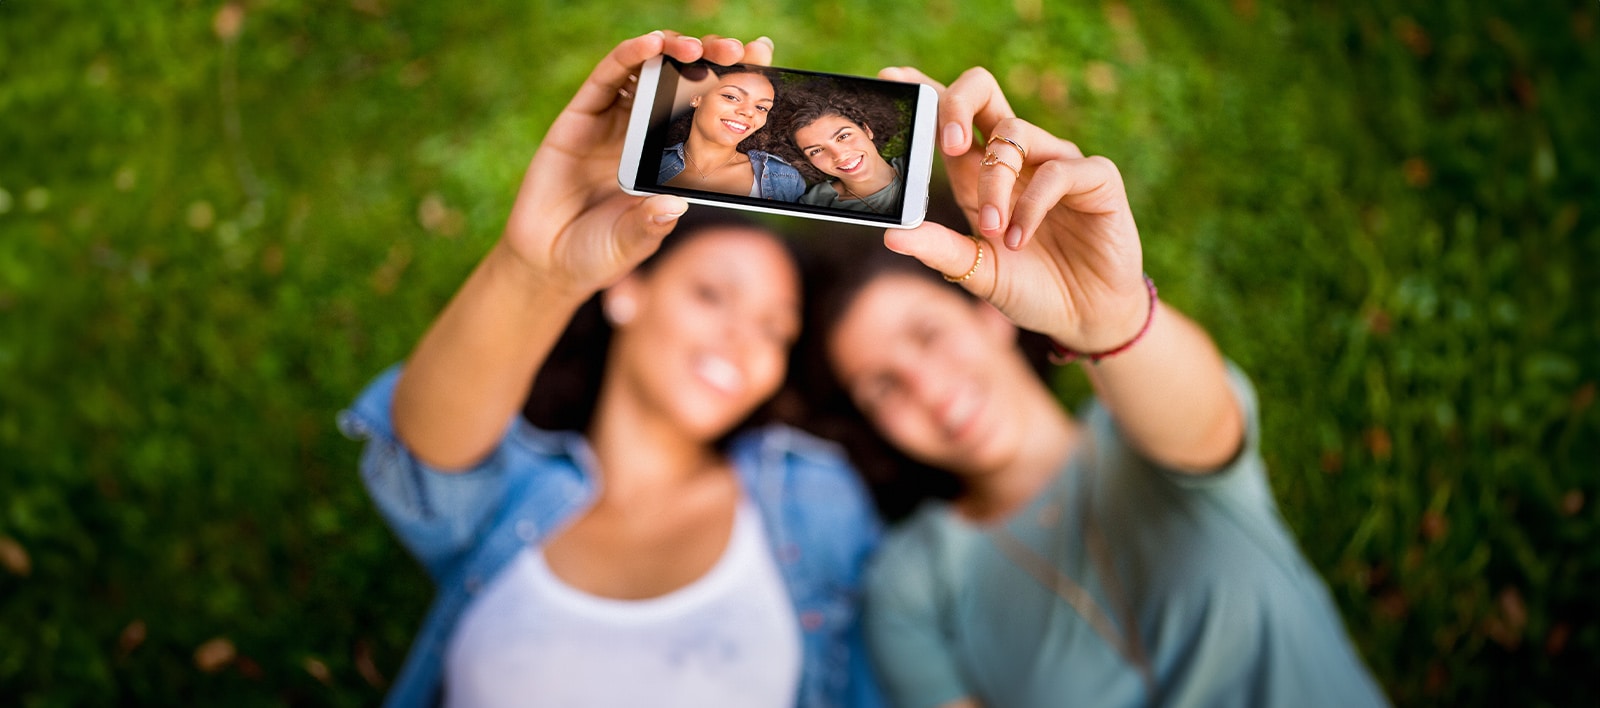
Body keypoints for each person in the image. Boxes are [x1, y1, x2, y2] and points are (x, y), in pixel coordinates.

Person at [798, 66, 1389, 707]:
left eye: (927, 334)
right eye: (882, 387)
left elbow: (1205, 422)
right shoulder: (912, 582)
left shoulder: (1141, 428)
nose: (927, 387)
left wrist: (1108, 317)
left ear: (987, 313)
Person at [338, 32, 881, 708]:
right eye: (712, 294)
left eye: (776, 329)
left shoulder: (813, 501)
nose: (743, 339)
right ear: (629, 289)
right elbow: (424, 454)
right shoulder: (516, 494)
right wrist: (535, 267)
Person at [659, 64, 806, 201]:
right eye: (732, 97)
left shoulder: (785, 178)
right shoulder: (649, 162)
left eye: (761, 107)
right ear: (696, 97)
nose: (748, 112)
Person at [784, 89, 906, 216]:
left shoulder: (918, 167)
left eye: (843, 136)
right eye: (817, 150)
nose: (839, 155)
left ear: (866, 130)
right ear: (807, 160)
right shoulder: (816, 204)